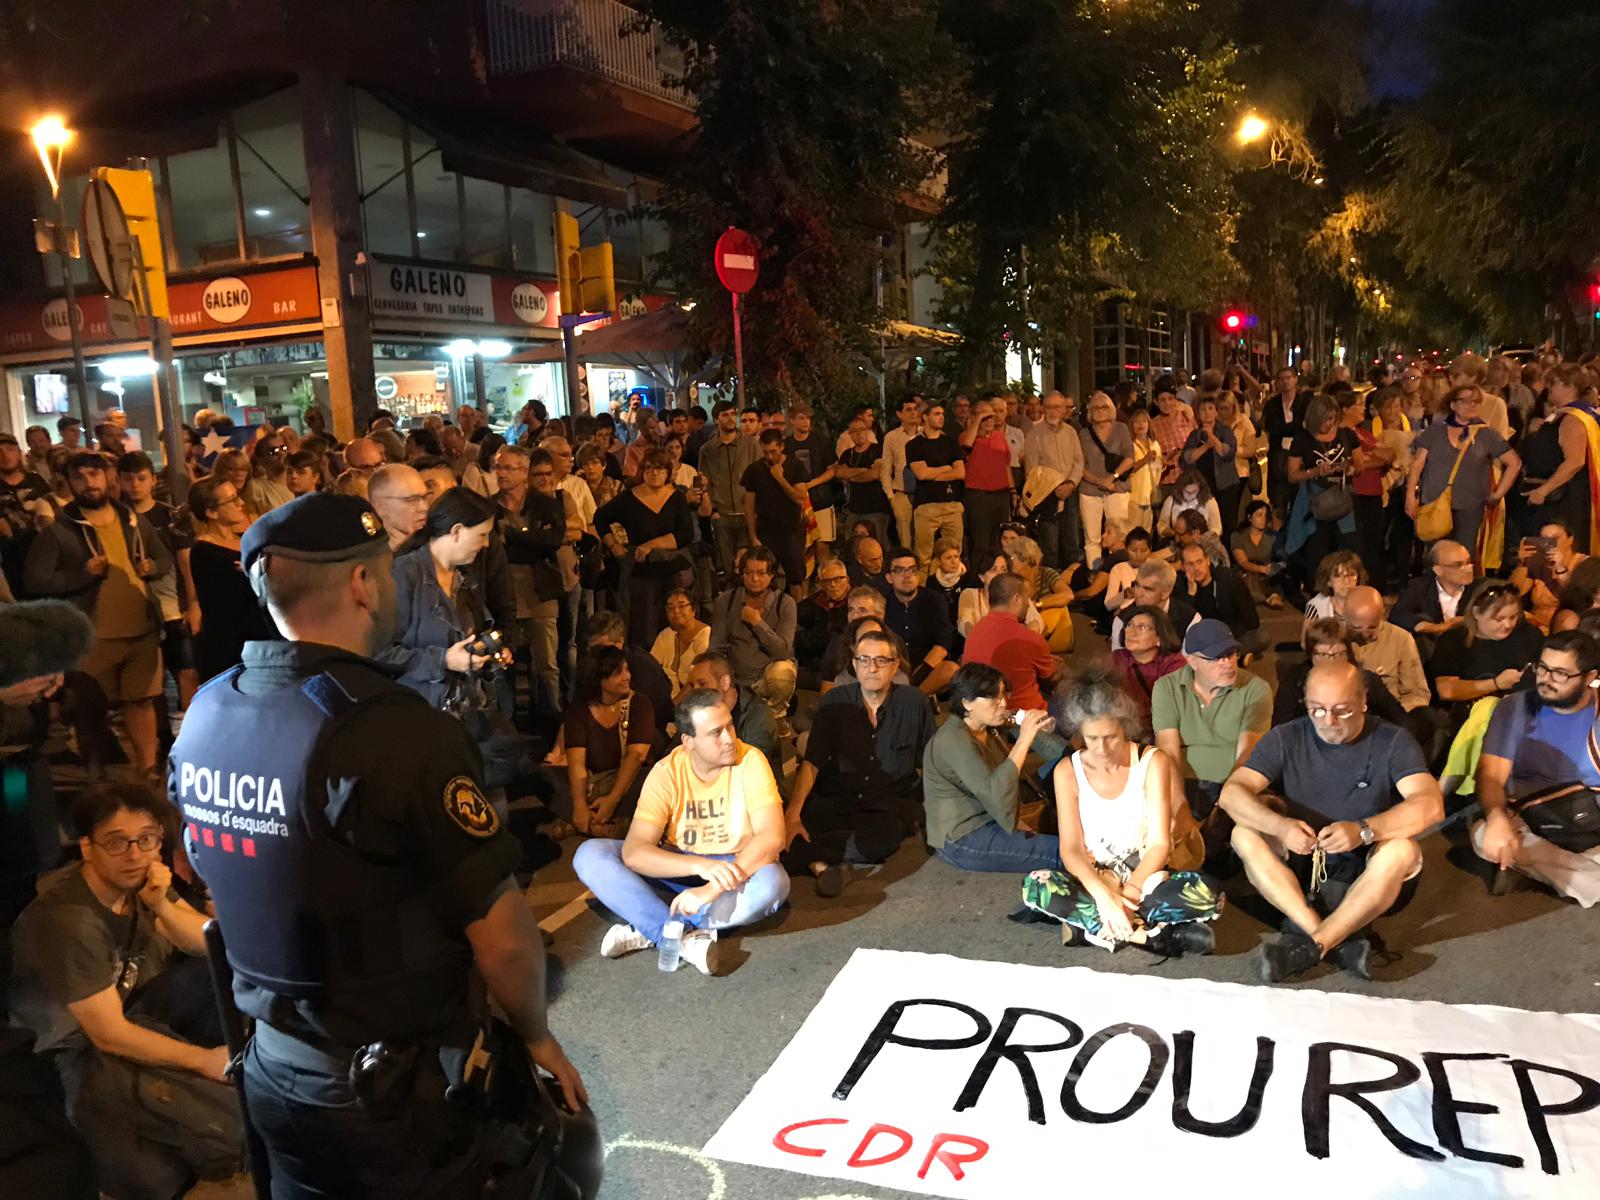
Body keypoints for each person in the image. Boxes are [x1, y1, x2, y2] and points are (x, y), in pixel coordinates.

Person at [170, 492, 590, 1195]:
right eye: (388, 571)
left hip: (272, 1069)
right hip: (395, 1094)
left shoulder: (209, 709)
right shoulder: (393, 730)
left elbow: (200, 860)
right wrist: (534, 1033)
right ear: (363, 584)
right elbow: (504, 937)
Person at [8, 781, 241, 1197]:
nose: (135, 854)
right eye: (117, 843)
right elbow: (108, 1035)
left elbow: (206, 939)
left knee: (220, 975)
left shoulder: (142, 880)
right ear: (87, 847)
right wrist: (203, 1060)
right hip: (74, 1057)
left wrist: (162, 905)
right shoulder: (68, 920)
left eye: (147, 839)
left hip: (136, 1012)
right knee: (174, 1167)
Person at [1221, 662, 1444, 982]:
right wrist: (1280, 826)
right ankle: (1330, 940)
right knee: (1243, 834)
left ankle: (1312, 944)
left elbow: (1430, 804)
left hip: (1365, 865)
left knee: (1401, 850)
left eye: (1342, 710)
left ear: (1363, 702)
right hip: (1305, 859)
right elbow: (1232, 793)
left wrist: (1365, 830)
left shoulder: (1392, 741)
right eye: (1318, 710)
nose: (1329, 721)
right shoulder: (1287, 736)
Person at [572, 689, 789, 976]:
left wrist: (711, 888)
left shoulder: (750, 761)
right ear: (689, 742)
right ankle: (679, 936)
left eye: (730, 726)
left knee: (774, 884)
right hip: (678, 865)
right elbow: (635, 852)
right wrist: (700, 865)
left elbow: (772, 838)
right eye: (716, 733)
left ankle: (651, 926)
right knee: (590, 854)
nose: (729, 739)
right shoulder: (667, 771)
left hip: (733, 869)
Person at [1019, 668, 1221, 954]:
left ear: (1124, 726)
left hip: (1145, 877)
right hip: (1095, 877)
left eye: (1110, 737)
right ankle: (1148, 936)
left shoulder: (1152, 761)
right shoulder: (1067, 771)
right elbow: (1071, 850)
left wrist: (1129, 894)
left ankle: (1091, 927)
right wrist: (1104, 896)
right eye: (1091, 739)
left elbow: (1160, 843)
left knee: (1207, 894)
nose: (1101, 748)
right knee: (1036, 885)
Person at [23, 452, 173, 777]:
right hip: (92, 637)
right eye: (79, 477)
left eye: (94, 475)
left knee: (142, 701)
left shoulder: (132, 520)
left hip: (142, 630)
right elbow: (34, 580)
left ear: (108, 477)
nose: (89, 483)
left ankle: (147, 771)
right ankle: (97, 777)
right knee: (89, 712)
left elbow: (164, 557)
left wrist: (153, 567)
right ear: (69, 483)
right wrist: (82, 573)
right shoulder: (60, 530)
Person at [784, 628, 935, 894]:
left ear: (895, 665)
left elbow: (933, 761)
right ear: (854, 664)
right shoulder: (834, 702)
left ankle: (808, 858)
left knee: (880, 842)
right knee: (789, 826)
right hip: (838, 795)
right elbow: (812, 763)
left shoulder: (914, 703)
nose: (872, 668)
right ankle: (824, 865)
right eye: (864, 659)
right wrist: (793, 814)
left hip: (887, 801)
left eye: (881, 660)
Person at [1473, 629, 1600, 904]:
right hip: (1533, 821)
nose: (1545, 680)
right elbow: (1491, 775)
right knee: (1485, 836)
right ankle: (1582, 874)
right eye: (1542, 668)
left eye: (1560, 674)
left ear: (1590, 678)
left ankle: (1565, 875)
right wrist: (1496, 819)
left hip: (1592, 820)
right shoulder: (1514, 708)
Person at [923, 662, 1058, 872]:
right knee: (1060, 852)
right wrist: (1025, 739)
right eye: (993, 697)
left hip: (991, 814)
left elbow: (1056, 752)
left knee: (1060, 768)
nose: (1003, 703)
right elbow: (994, 792)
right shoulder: (953, 739)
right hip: (963, 836)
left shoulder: (988, 726)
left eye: (1003, 694)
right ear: (967, 702)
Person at [385, 487, 510, 711]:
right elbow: (381, 653)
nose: (486, 545)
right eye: (482, 535)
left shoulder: (463, 578)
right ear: (457, 531)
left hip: (464, 707)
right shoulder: (404, 574)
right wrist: (443, 660)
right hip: (418, 710)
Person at [1152, 619, 1272, 827]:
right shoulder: (1167, 687)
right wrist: (1180, 808)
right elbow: (1168, 751)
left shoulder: (1256, 689)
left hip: (1232, 781)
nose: (1227, 663)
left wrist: (1225, 803)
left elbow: (1248, 754)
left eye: (1231, 653)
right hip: (1183, 783)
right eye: (1216, 658)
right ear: (1192, 661)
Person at [544, 645, 655, 837]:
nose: (627, 676)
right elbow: (576, 762)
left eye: (627, 669)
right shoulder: (580, 709)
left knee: (649, 784)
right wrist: (579, 804)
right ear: (599, 679)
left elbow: (635, 756)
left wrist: (612, 800)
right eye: (618, 672)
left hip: (626, 780)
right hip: (593, 781)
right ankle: (602, 825)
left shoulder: (639, 704)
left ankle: (588, 824)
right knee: (547, 778)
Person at [495, 446, 570, 725]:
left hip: (540, 593)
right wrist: (531, 540)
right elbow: (493, 551)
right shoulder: (491, 507)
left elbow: (551, 541)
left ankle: (552, 721)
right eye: (499, 467)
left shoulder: (545, 504)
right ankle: (507, 722)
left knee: (547, 665)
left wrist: (513, 536)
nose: (501, 474)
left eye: (508, 468)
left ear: (524, 472)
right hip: (505, 595)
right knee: (505, 664)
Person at [1407, 383, 1521, 563]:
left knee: (1464, 557)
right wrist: (1411, 496)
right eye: (1466, 401)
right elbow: (1417, 465)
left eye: (1476, 401)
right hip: (1434, 504)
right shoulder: (1435, 431)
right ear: (1453, 405)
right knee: (1436, 557)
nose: (1472, 405)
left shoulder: (1486, 434)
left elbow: (1514, 463)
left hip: (1470, 506)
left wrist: (1498, 494)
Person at [597, 448, 695, 646]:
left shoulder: (676, 498)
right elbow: (600, 517)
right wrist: (613, 545)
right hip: (641, 573)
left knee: (675, 624)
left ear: (668, 473)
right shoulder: (629, 498)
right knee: (644, 628)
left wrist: (652, 544)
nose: (654, 473)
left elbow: (686, 535)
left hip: (670, 572)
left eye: (659, 469)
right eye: (649, 468)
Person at [185, 475, 275, 683]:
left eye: (238, 497)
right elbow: (234, 596)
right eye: (232, 500)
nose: (241, 503)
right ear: (211, 512)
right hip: (230, 651)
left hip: (262, 644)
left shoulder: (248, 540)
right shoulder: (204, 551)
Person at [1430, 579, 1543, 717]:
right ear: (1477, 613)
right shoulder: (1454, 641)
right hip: (1473, 717)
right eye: (1498, 619)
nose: (1508, 625)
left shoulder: (1530, 635)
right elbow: (1446, 690)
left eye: (1513, 617)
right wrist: (1495, 684)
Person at [1273, 617, 1410, 729]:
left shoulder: (1368, 681)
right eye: (1323, 654)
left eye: (1338, 654)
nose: (1331, 661)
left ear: (1348, 653)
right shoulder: (1294, 683)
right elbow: (1280, 730)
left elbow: (1402, 723)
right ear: (1311, 655)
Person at [961, 572, 1058, 714]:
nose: (1028, 603)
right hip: (1025, 717)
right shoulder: (1029, 639)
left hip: (982, 715)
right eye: (1027, 598)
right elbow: (1050, 678)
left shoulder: (973, 633)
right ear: (1017, 600)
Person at [683, 650, 782, 781]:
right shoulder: (697, 713)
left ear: (725, 682)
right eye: (692, 685)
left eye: (702, 684)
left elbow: (751, 768)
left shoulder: (757, 715)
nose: (695, 691)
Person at [879, 547, 957, 696]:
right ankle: (919, 700)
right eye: (900, 570)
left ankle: (910, 698)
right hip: (893, 669)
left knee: (951, 669)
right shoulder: (882, 602)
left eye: (911, 570)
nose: (907, 576)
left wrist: (914, 680)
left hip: (926, 671)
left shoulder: (935, 600)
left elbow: (942, 646)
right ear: (889, 577)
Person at [740, 430, 809, 596]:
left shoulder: (796, 466)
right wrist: (753, 536)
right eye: (765, 452)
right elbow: (748, 507)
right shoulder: (754, 470)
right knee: (763, 580)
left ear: (782, 447)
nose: (769, 457)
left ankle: (798, 616)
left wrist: (781, 479)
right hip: (765, 534)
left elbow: (800, 498)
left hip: (791, 533)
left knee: (796, 578)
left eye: (773, 452)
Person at [1021, 390, 1084, 569]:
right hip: (1047, 499)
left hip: (1070, 494)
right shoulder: (1034, 435)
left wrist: (1071, 484)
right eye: (1048, 407)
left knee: (1072, 544)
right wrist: (1051, 489)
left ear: (1064, 409)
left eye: (1056, 407)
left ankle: (1071, 588)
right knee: (1049, 548)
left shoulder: (1071, 433)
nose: (1052, 411)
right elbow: (1032, 472)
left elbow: (1079, 461)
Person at [1076, 392, 1136, 571]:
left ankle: (1118, 571)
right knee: (1092, 537)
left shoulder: (1121, 428)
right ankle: (1095, 574)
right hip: (1089, 490)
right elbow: (1080, 464)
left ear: (1111, 409)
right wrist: (1098, 481)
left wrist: (1112, 478)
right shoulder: (1084, 433)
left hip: (1116, 488)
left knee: (1118, 535)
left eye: (1103, 407)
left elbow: (1129, 457)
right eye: (1095, 407)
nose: (1099, 411)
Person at [700, 400, 760, 575]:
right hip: (722, 515)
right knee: (727, 566)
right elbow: (705, 480)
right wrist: (714, 511)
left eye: (733, 414)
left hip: (747, 514)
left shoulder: (750, 444)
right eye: (725, 415)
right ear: (716, 419)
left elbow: (759, 476)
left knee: (748, 564)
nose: (730, 418)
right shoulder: (708, 449)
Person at [1178, 540, 1264, 658]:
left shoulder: (1229, 580)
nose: (1196, 568)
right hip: (1202, 638)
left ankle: (1224, 655)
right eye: (1190, 564)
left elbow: (1250, 620)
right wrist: (1191, 594)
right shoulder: (1181, 586)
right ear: (1183, 567)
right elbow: (1183, 625)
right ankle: (1233, 656)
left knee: (1261, 637)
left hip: (1231, 633)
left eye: (1199, 562)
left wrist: (1225, 635)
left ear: (1208, 561)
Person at [907, 400, 966, 569]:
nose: (941, 418)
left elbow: (960, 473)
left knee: (955, 554)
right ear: (925, 417)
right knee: (923, 557)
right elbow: (921, 474)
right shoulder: (914, 445)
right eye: (936, 414)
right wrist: (947, 468)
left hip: (952, 505)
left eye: (942, 414)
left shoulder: (950, 442)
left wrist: (933, 472)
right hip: (927, 506)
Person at [1391, 538, 1473, 656]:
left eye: (1469, 562)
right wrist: (1437, 628)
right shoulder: (1419, 587)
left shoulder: (1481, 587)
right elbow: (1397, 614)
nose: (1469, 569)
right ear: (1438, 570)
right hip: (1433, 654)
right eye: (1458, 565)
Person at [1110, 605, 1186, 728]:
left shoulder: (1174, 664)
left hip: (1164, 728)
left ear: (1159, 638)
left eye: (1142, 627)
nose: (1131, 632)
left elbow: (1174, 709)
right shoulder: (1116, 659)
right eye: (1129, 625)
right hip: (1124, 727)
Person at [958, 398, 1014, 564]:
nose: (990, 420)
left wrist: (1013, 492)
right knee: (980, 543)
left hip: (1001, 496)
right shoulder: (966, 437)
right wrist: (978, 420)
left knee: (999, 542)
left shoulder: (1000, 437)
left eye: (992, 416)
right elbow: (966, 445)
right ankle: (977, 580)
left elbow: (1006, 466)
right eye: (985, 416)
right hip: (978, 497)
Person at [1109, 558, 1197, 651]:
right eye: (1137, 585)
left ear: (1165, 592)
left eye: (1147, 589)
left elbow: (1192, 662)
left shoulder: (1190, 619)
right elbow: (1119, 662)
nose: (1138, 594)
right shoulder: (1122, 620)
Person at [1181, 396, 1240, 534]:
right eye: (1203, 410)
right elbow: (1187, 458)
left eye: (1210, 409)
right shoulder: (1194, 435)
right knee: (1203, 522)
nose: (1207, 413)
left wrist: (1212, 437)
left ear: (1216, 412)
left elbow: (1227, 453)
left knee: (1227, 523)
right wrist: (1205, 446)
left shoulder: (1225, 431)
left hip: (1225, 484)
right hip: (1201, 485)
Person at [783, 402, 839, 547]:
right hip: (796, 506)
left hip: (821, 502)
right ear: (792, 420)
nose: (806, 422)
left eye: (808, 418)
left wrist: (811, 484)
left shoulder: (821, 441)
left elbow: (832, 470)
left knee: (823, 546)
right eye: (801, 418)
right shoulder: (786, 445)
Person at [836, 415, 890, 549]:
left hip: (876, 508)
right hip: (854, 509)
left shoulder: (878, 450)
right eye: (854, 431)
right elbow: (839, 473)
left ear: (868, 431)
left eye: (862, 429)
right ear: (849, 434)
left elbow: (875, 474)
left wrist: (852, 475)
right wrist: (865, 470)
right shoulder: (847, 454)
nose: (858, 433)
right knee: (852, 545)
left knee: (878, 545)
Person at [794, 558, 851, 678]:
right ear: (822, 585)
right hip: (812, 662)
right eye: (827, 581)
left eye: (838, 579)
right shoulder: (811, 604)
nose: (833, 585)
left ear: (847, 579)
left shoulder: (858, 602)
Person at [880, 396, 922, 549]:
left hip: (924, 491)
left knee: (923, 538)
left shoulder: (926, 433)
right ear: (899, 414)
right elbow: (885, 468)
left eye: (915, 409)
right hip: (901, 493)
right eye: (908, 410)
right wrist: (891, 496)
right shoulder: (891, 437)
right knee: (905, 540)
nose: (913, 413)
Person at [651, 589, 710, 696]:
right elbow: (651, 666)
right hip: (666, 697)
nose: (676, 611)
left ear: (693, 610)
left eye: (681, 606)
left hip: (696, 698)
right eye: (670, 607)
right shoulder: (666, 635)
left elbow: (699, 679)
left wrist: (674, 705)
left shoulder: (705, 635)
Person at [367, 462, 430, 553]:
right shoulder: (372, 558)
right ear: (380, 506)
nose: (424, 507)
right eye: (411, 500)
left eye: (425, 497)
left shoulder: (436, 545)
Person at [1302, 548, 1366, 628]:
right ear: (1328, 581)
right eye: (1338, 576)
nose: (1346, 581)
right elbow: (1307, 639)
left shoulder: (1368, 603)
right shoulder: (1316, 607)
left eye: (1351, 574)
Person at [1157, 470, 1222, 540]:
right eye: (1186, 491)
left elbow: (1217, 529)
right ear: (1180, 489)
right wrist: (1176, 534)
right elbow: (1161, 526)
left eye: (1193, 492)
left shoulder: (1209, 502)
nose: (1189, 495)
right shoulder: (1172, 500)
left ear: (1200, 489)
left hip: (1203, 544)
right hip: (1177, 541)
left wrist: (1199, 537)